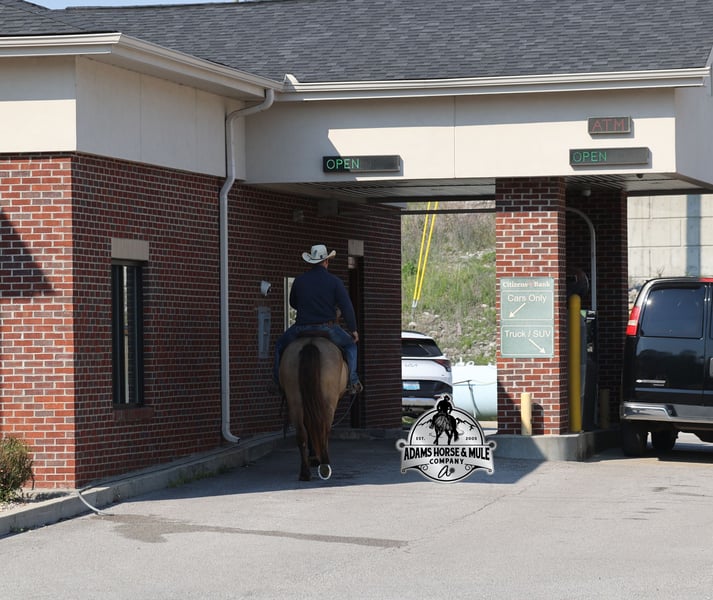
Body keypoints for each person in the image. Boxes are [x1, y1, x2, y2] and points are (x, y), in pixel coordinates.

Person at [274, 244, 363, 395]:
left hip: (301, 328)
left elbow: (293, 303)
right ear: (326, 261)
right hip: (327, 327)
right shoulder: (335, 282)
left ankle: (276, 382)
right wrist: (353, 330)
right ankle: (353, 381)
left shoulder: (299, 281)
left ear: (311, 262)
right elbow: (347, 307)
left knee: (279, 345)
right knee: (350, 346)